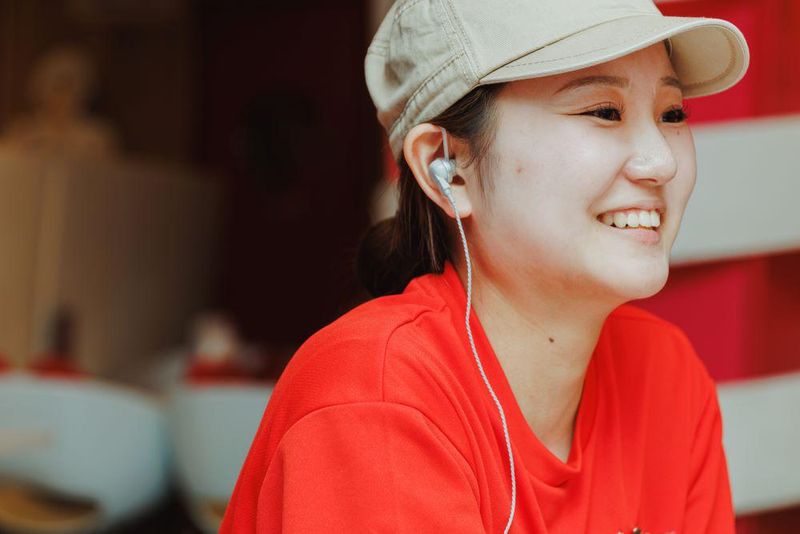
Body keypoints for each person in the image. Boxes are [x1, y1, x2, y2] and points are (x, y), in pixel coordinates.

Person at [221, 0, 750, 532]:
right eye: (603, 111)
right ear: (447, 168)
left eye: (672, 114)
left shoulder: (667, 378)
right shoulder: (373, 401)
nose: (661, 162)